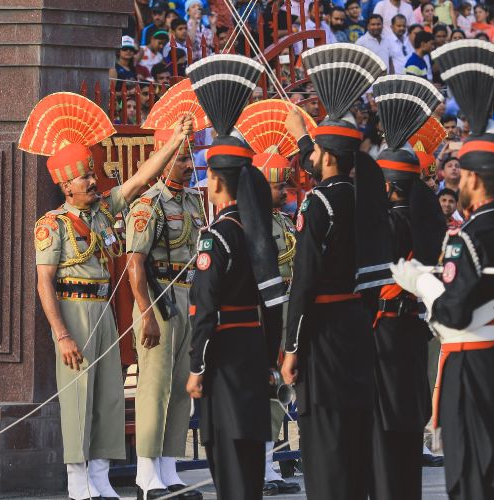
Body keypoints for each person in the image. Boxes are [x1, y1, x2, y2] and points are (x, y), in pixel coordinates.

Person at [23, 92, 193, 499]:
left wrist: (173, 142)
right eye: (84, 179)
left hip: (103, 310)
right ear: (65, 185)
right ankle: (78, 482)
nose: (93, 182)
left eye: (91, 176)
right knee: (79, 398)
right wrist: (61, 334)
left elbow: (139, 180)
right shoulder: (53, 224)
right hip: (73, 309)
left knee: (108, 397)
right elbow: (44, 282)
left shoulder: (103, 211)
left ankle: (100, 478)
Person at [390, 134, 494, 500]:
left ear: (473, 180)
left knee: (472, 480)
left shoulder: (467, 238)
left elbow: (455, 313)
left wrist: (423, 284)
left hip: (472, 371)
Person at [281, 44, 389, 498]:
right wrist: (306, 134)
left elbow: (304, 281)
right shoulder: (368, 195)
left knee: (323, 431)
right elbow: (328, 165)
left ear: (327, 156)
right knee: (355, 426)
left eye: (315, 152)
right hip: (358, 327)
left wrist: (290, 346)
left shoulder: (317, 203)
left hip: (323, 331)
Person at [185, 56, 287, 500]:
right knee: (248, 463)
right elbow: (272, 301)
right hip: (253, 353)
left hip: (223, 358)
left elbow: (206, 310)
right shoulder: (258, 232)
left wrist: (196, 367)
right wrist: (268, 358)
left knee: (226, 463)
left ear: (216, 182)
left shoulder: (216, 238)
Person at [369, 77, 448, 499]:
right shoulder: (429, 215)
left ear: (388, 186)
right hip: (414, 327)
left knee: (384, 431)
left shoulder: (391, 223)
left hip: (384, 328)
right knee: (406, 427)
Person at [124, 129, 206, 500]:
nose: (189, 166)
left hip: (185, 295)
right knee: (154, 388)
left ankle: (169, 469)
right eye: (182, 159)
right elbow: (135, 265)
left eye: (190, 159)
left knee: (178, 390)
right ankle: (145, 474)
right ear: (164, 158)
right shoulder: (148, 205)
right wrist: (146, 314)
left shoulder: (193, 201)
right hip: (158, 300)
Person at [245, 141, 303, 497]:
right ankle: (261, 467)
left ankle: (270, 463)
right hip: (260, 309)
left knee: (281, 390)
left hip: (285, 306)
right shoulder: (249, 224)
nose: (285, 191)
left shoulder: (283, 220)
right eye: (278, 185)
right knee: (262, 388)